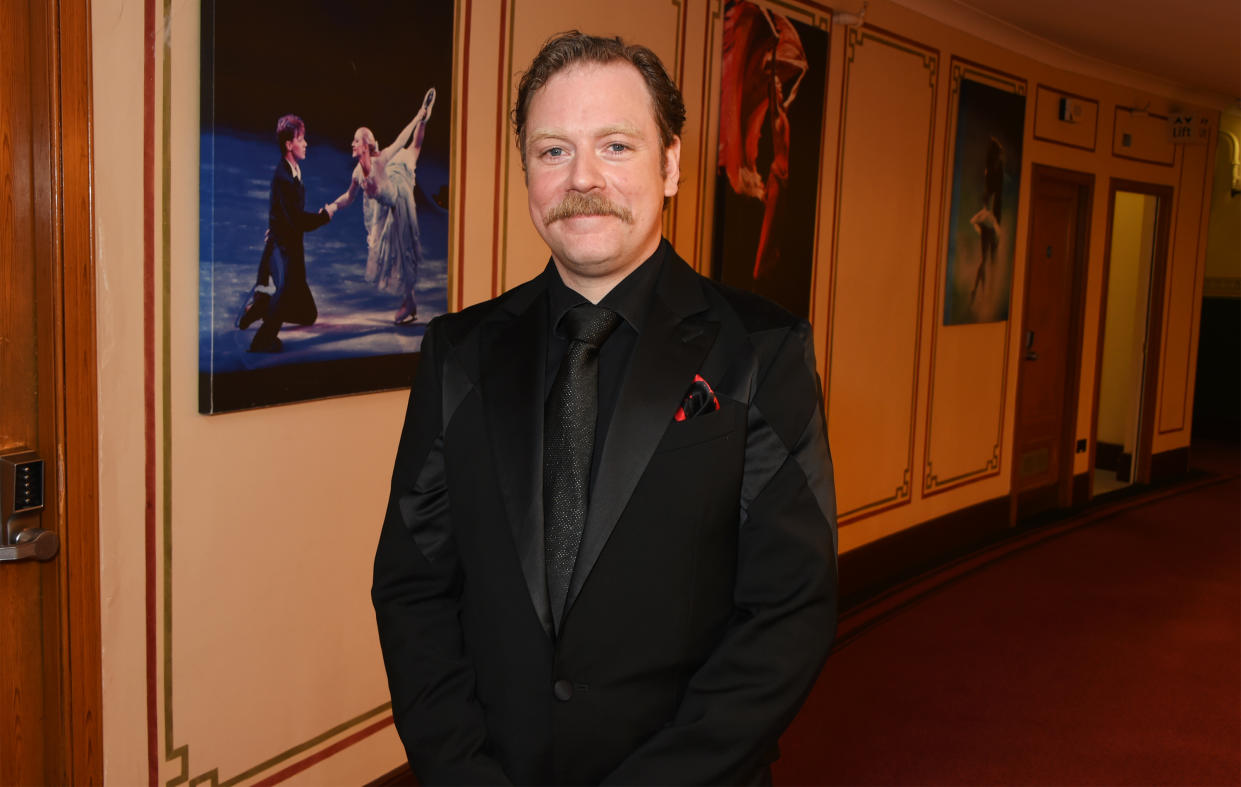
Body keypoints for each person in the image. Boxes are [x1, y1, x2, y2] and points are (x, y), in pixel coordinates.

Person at [372, 31, 837, 785]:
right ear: (524, 168)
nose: (581, 177)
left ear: (672, 163)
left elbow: (789, 610)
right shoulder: (457, 353)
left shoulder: (762, 350)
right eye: (552, 150)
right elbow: (412, 585)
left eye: (615, 145)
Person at [331, 88, 436, 324]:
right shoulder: (358, 172)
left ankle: (425, 116)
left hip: (399, 190)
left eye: (356, 141)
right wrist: (332, 207)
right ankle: (409, 301)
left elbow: (401, 140)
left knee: (413, 151)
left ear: (366, 145)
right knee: (388, 246)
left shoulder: (381, 160)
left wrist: (418, 115)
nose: (352, 144)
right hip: (385, 203)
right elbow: (348, 197)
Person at [239, 114, 336, 352]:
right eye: (300, 139)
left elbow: (284, 213)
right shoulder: (283, 177)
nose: (305, 143)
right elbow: (295, 219)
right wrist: (324, 216)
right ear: (288, 145)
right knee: (282, 293)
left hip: (293, 247)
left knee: (307, 315)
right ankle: (262, 340)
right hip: (283, 249)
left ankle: (262, 308)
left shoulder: (293, 171)